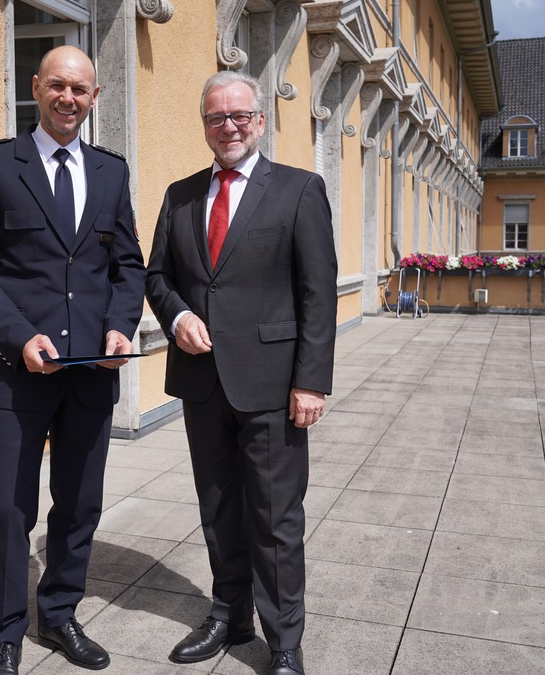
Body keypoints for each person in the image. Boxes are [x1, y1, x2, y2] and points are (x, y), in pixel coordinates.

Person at [0, 45, 145, 675]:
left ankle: (59, 614)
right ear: (36, 87)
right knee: (10, 505)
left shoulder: (111, 173)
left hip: (92, 372)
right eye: (57, 85)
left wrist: (120, 328)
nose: (68, 98)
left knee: (80, 501)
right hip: (19, 371)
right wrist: (21, 337)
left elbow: (126, 267)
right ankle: (5, 634)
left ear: (94, 97)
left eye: (81, 89)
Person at [145, 70, 337, 675]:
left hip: (274, 386)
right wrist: (176, 318)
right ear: (203, 123)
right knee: (218, 506)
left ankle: (283, 642)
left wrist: (311, 380)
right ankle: (230, 614)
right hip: (202, 383)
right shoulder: (179, 195)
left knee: (276, 518)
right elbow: (158, 276)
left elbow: (318, 293)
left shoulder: (300, 191)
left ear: (260, 120)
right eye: (215, 117)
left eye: (239, 116)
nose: (227, 127)